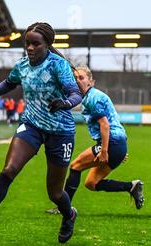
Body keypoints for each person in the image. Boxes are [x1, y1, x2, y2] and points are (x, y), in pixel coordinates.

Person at [0, 22, 83, 246]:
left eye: (35, 44)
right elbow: (9, 83)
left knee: (55, 193)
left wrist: (65, 103)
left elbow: (76, 94)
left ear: (47, 44)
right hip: (32, 126)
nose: (30, 48)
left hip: (61, 132)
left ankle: (69, 215)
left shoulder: (58, 65)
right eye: (27, 43)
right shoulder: (22, 66)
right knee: (8, 170)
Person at [45, 66, 144, 215]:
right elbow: (114, 123)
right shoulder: (90, 97)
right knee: (92, 183)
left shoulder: (92, 97)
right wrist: (120, 150)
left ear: (91, 82)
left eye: (81, 78)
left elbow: (104, 124)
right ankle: (131, 186)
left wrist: (105, 150)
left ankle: (63, 208)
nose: (78, 81)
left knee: (75, 166)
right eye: (75, 78)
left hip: (112, 143)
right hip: (117, 144)